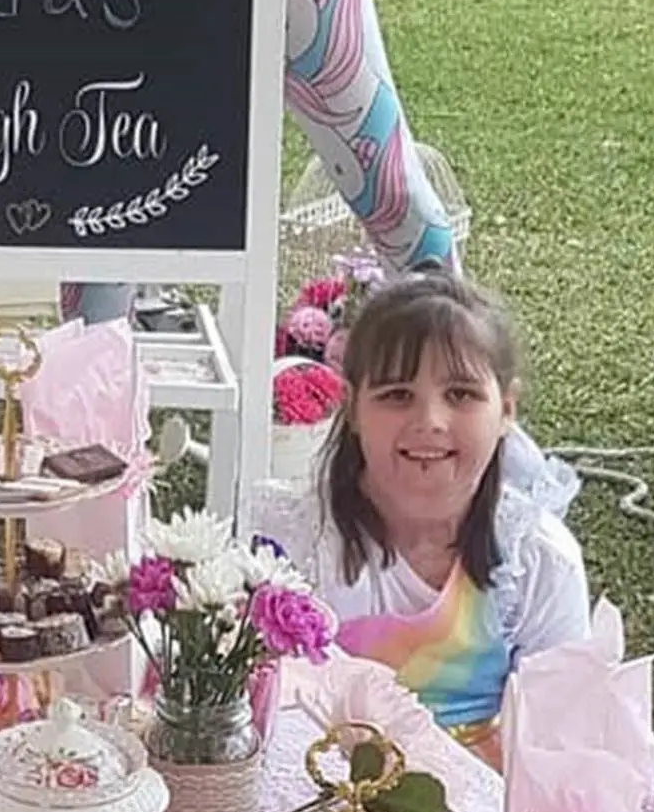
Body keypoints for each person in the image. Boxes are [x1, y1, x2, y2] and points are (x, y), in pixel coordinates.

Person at [251, 271, 592, 765]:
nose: (429, 420)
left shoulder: (538, 560)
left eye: (461, 395)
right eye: (396, 395)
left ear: (506, 411)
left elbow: (560, 741)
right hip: (314, 800)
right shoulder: (291, 546)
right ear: (350, 408)